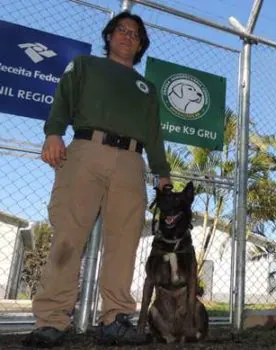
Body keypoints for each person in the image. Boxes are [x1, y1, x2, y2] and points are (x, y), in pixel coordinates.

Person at [23, 11, 171, 348]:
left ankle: (115, 318)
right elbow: (63, 99)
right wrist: (53, 134)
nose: (127, 36)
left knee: (124, 242)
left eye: (134, 34)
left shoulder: (146, 88)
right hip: (86, 151)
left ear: (140, 45)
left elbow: (154, 133)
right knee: (68, 235)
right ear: (109, 36)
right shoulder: (86, 65)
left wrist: (162, 172)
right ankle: (52, 320)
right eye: (121, 30)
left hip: (132, 162)